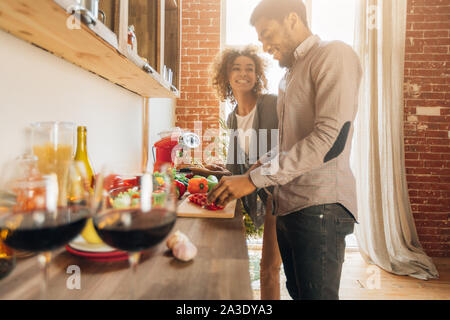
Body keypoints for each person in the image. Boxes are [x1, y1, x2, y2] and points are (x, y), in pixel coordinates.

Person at [207, 0, 362, 300]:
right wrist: (257, 168)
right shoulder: (289, 76)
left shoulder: (333, 54)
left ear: (292, 19)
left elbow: (330, 139)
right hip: (289, 205)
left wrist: (252, 180)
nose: (264, 46)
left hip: (320, 207)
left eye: (267, 33)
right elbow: (288, 144)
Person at [190, 45, 282, 300]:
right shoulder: (232, 118)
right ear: (226, 75)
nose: (244, 74)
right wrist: (204, 168)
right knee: (267, 268)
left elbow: (285, 148)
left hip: (282, 194)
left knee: (269, 268)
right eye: (237, 68)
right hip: (263, 193)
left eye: (250, 69)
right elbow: (235, 167)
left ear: (258, 75)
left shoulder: (272, 103)